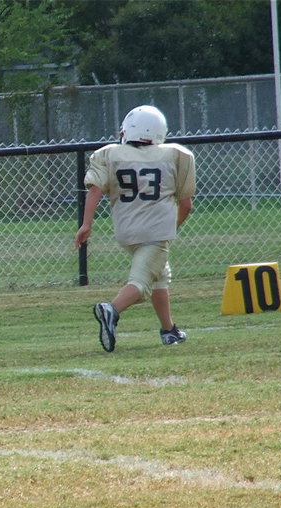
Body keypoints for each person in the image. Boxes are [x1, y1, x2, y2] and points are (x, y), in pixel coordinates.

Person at [74, 105, 196, 352]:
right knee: (142, 283)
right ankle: (112, 310)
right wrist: (171, 227)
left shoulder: (110, 154)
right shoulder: (175, 155)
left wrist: (87, 223)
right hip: (155, 231)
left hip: (126, 231)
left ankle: (169, 330)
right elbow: (186, 204)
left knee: (160, 274)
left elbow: (95, 189)